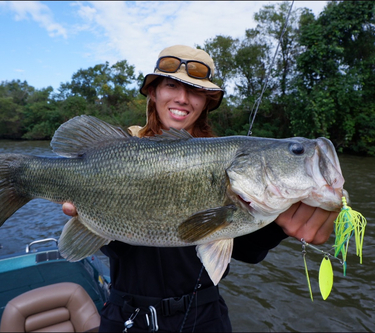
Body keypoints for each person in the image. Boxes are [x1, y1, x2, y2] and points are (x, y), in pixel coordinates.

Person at [62, 45, 338, 332]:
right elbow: (116, 252)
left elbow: (246, 251)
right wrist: (95, 218)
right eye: (171, 85)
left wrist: (277, 225)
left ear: (206, 102)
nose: (182, 98)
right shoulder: (117, 151)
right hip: (128, 314)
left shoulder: (228, 158)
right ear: (153, 92)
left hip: (203, 316)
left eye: (194, 90)